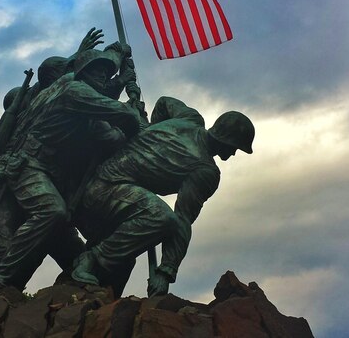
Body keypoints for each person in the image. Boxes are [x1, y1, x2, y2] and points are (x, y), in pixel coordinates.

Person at [0, 48, 141, 294]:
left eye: (106, 73)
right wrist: (134, 114)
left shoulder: (78, 98)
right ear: (82, 72)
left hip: (51, 175)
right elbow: (119, 113)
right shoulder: (73, 91)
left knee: (74, 249)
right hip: (28, 165)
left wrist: (120, 62)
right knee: (51, 211)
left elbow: (111, 136)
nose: (103, 77)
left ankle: (85, 290)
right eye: (97, 71)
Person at [71, 97, 254, 297]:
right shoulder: (205, 171)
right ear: (226, 141)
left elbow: (163, 103)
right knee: (162, 218)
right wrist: (166, 271)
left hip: (105, 186)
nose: (235, 153)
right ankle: (91, 260)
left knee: (125, 259)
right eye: (236, 147)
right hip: (103, 192)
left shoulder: (190, 118)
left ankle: (100, 295)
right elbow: (182, 220)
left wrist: (151, 130)